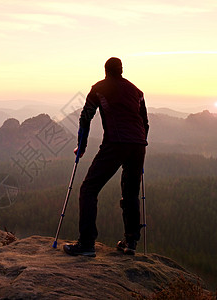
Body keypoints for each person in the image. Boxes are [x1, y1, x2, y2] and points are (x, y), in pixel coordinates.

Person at [63, 57, 149, 257]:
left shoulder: (99, 88)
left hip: (116, 143)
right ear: (121, 70)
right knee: (130, 193)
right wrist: (141, 144)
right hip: (138, 145)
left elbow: (86, 116)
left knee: (89, 189)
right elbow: (144, 122)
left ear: (105, 71)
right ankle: (131, 242)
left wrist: (81, 147)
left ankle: (86, 243)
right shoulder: (137, 92)